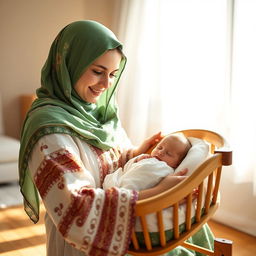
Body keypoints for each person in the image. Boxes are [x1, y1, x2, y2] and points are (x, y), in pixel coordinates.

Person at [18, 20, 214, 256]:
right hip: (86, 245)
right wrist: (159, 192)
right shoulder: (49, 128)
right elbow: (76, 209)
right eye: (98, 72)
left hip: (129, 229)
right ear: (70, 63)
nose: (106, 84)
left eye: (112, 74)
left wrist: (135, 154)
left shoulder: (99, 112)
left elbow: (109, 164)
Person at [103, 133, 192, 191]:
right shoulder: (146, 158)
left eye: (168, 153)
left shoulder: (168, 171)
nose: (160, 152)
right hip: (118, 182)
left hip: (134, 190)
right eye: (159, 147)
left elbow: (166, 187)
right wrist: (137, 160)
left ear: (177, 163)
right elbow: (126, 168)